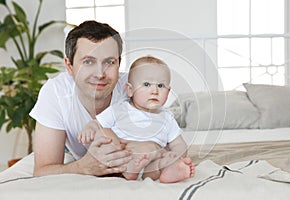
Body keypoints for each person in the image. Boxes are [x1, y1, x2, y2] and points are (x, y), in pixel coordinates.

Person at [29, 20, 145, 177]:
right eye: (88, 62)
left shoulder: (133, 88)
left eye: (109, 62)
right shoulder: (56, 92)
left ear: (119, 64)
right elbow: (42, 171)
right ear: (69, 66)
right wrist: (82, 167)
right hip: (74, 152)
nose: (100, 74)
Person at [78, 56, 195, 183]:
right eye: (146, 84)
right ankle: (128, 167)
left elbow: (179, 144)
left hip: (148, 162)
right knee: (104, 131)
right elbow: (97, 123)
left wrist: (175, 157)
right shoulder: (120, 108)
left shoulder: (167, 117)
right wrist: (90, 128)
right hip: (120, 155)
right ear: (130, 90)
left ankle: (170, 171)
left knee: (162, 160)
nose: (154, 91)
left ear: (168, 91)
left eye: (161, 86)